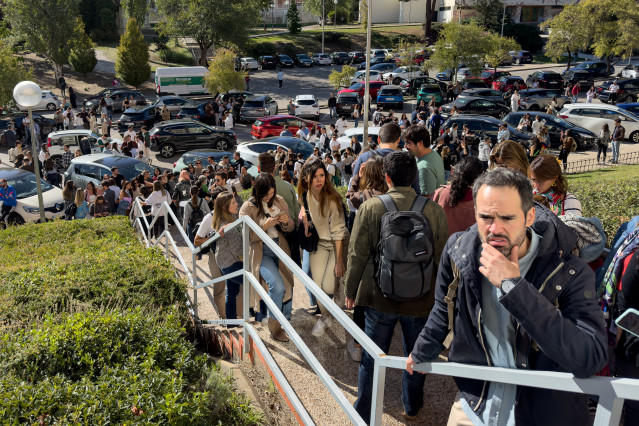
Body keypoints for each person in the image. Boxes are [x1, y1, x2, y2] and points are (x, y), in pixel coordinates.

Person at [406, 168, 607, 426]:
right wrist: (422, 350)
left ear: (529, 216)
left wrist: (515, 289)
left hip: (540, 414)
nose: (495, 228)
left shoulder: (568, 270)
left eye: (508, 218)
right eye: (485, 217)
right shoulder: (459, 252)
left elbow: (589, 357)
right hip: (474, 406)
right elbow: (443, 309)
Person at [345, 151, 448, 423]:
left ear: (386, 177)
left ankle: (365, 414)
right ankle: (411, 407)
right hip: (421, 299)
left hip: (378, 298)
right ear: (414, 177)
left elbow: (357, 254)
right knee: (416, 359)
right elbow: (441, 259)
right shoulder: (434, 210)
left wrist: (350, 291)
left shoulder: (371, 208)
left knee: (371, 359)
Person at [239, 173, 295, 341]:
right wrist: (264, 226)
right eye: (266, 194)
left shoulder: (279, 200)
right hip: (261, 252)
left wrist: (286, 222)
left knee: (288, 284)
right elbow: (246, 237)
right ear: (257, 191)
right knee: (277, 286)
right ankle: (275, 325)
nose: (270, 197)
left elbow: (291, 227)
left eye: (272, 193)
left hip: (280, 247)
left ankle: (285, 317)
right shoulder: (247, 208)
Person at [298, 158, 349, 337]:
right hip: (318, 244)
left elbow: (338, 232)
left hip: (337, 243)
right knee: (316, 286)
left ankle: (338, 298)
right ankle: (326, 317)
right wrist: (305, 221)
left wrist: (340, 260)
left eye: (322, 176)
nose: (319, 180)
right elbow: (304, 209)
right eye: (315, 176)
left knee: (328, 286)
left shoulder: (332, 200)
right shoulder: (303, 195)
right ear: (306, 178)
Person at [196, 192, 244, 320]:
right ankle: (224, 317)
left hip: (229, 257)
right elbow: (197, 240)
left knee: (232, 290)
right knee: (220, 288)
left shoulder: (232, 217)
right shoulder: (210, 218)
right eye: (233, 202)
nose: (237, 204)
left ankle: (232, 319)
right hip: (220, 257)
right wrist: (214, 238)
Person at [351, 122, 421, 194]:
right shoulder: (407, 160)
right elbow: (416, 191)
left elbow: (353, 188)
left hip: (369, 203)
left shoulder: (364, 157)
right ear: (398, 140)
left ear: (378, 139)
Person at [258, 152, 301, 266]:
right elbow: (297, 212)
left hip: (269, 239)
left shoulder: (257, 191)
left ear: (259, 168)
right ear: (275, 167)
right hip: (290, 235)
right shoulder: (287, 185)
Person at [432, 157, 483, 236]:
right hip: (467, 246)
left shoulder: (440, 193)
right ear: (478, 177)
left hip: (442, 245)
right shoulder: (480, 201)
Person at [402, 125, 445, 197]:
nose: (405, 146)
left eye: (408, 143)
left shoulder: (424, 168)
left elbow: (426, 200)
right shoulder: (433, 153)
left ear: (420, 143)